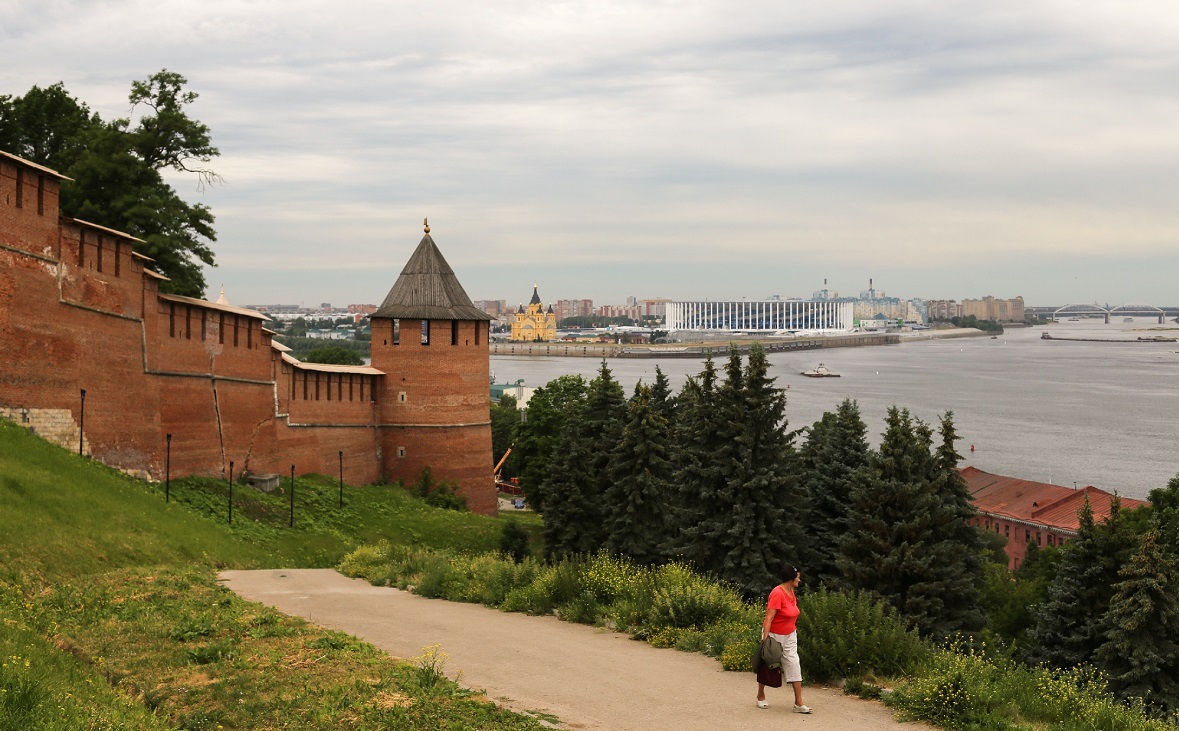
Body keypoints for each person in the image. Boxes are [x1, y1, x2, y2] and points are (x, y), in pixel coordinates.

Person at [756, 565, 811, 713]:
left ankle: (798, 703)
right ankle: (760, 695)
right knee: (769, 665)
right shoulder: (777, 593)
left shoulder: (791, 592)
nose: (799, 579)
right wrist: (765, 640)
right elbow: (769, 617)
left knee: (794, 663)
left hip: (790, 635)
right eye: (798, 577)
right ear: (791, 579)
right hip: (774, 636)